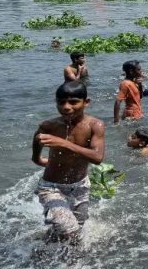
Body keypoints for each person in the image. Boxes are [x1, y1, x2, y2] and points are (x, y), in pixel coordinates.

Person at [31, 81, 105, 242]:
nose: (66, 107)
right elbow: (37, 139)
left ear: (86, 102)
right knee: (70, 230)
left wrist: (64, 144)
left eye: (73, 102)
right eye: (61, 102)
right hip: (51, 187)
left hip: (80, 186)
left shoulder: (94, 125)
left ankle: (44, 250)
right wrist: (37, 158)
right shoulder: (49, 125)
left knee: (77, 227)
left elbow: (97, 157)